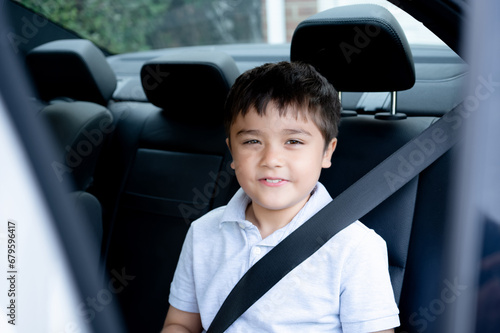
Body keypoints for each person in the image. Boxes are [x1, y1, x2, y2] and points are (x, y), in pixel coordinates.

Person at [161, 61, 400, 333]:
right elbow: (181, 324)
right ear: (232, 152)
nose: (271, 159)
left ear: (327, 152)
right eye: (252, 141)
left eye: (293, 141)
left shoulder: (354, 247)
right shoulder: (203, 233)